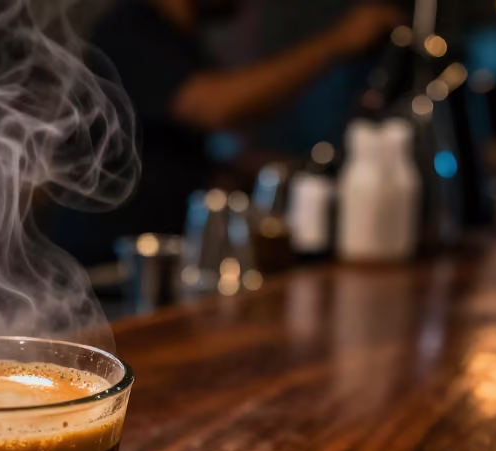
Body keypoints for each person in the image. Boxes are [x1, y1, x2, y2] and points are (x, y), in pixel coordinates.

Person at [55, 0, 403, 265]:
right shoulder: (128, 29)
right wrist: (339, 41)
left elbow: (164, 147)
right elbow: (214, 107)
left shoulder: (181, 42)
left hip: (164, 256)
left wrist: (241, 168)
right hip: (109, 269)